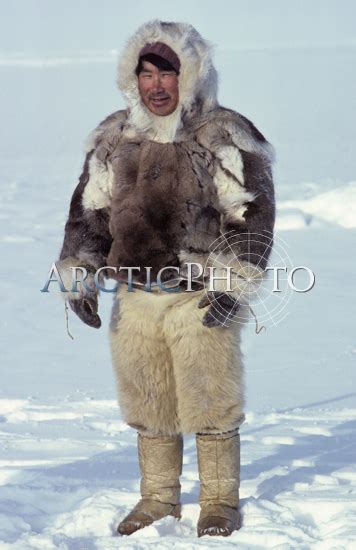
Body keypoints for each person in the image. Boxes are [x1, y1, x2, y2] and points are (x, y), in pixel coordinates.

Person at [56, 20, 275, 538]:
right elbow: (88, 213)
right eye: (146, 73)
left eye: (167, 73)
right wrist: (80, 273)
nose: (156, 85)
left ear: (192, 75)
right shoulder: (115, 137)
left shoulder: (222, 135)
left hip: (200, 297)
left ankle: (220, 502)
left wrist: (233, 282)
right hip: (135, 297)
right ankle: (158, 498)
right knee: (147, 401)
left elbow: (252, 217)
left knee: (211, 402)